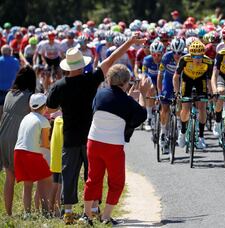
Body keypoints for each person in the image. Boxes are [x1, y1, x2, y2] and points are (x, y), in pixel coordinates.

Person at [46, 36, 145, 224]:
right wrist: (130, 43)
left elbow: (50, 109)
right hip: (92, 134)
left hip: (70, 134)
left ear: (66, 66)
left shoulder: (59, 86)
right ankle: (93, 208)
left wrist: (62, 108)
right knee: (92, 175)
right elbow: (111, 60)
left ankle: (68, 211)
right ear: (81, 65)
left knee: (69, 173)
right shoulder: (90, 80)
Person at [79, 64, 149, 226]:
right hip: (113, 147)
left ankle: (86, 214)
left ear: (109, 79)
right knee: (116, 182)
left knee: (93, 179)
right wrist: (143, 94)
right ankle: (106, 217)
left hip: (93, 142)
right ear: (125, 83)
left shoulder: (100, 94)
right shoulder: (127, 101)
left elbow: (113, 102)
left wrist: (128, 96)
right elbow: (141, 115)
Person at [0, 66, 36, 216]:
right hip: (18, 137)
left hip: (3, 136)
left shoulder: (8, 94)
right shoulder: (29, 97)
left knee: (9, 177)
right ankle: (27, 213)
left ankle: (8, 214)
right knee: (28, 179)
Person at [13, 93, 52, 216]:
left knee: (28, 184)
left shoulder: (26, 117)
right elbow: (45, 144)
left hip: (18, 152)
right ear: (44, 107)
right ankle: (46, 211)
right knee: (46, 179)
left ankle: (27, 214)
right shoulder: (44, 121)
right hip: (32, 154)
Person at [173, 40, 213, 149]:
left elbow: (210, 79)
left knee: (202, 107)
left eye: (200, 56)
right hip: (187, 80)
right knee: (185, 108)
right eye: (195, 56)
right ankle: (182, 131)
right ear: (191, 54)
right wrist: (176, 92)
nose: (198, 59)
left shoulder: (208, 62)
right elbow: (176, 77)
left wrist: (211, 93)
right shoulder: (184, 59)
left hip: (201, 81)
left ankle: (201, 136)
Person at [157, 37, 186, 153]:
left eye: (179, 53)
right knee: (165, 107)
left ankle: (179, 125)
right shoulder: (166, 57)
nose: (177, 55)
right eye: (174, 52)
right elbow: (160, 76)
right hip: (168, 82)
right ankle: (163, 132)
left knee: (181, 103)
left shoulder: (186, 57)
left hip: (181, 82)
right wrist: (159, 92)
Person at [142, 41, 165, 131]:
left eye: (159, 55)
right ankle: (149, 118)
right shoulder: (147, 59)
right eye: (154, 55)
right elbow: (144, 73)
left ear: (162, 53)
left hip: (162, 78)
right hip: (151, 77)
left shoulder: (165, 59)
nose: (156, 57)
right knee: (150, 89)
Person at [0, 45, 20, 119]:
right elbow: (18, 72)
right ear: (10, 51)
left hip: (0, 88)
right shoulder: (15, 61)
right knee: (9, 107)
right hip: (11, 88)